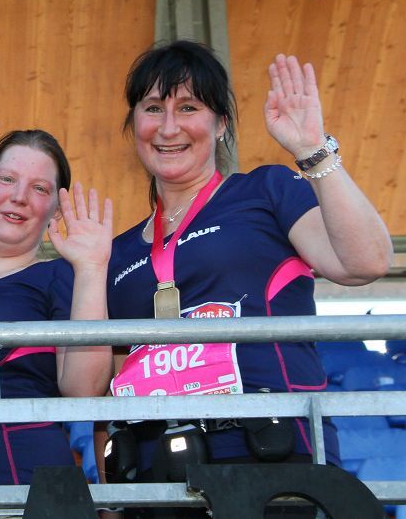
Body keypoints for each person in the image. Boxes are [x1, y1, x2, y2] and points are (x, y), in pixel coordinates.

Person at [105, 41, 392, 517]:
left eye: (189, 107)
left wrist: (312, 150)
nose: (169, 127)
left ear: (221, 124)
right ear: (134, 123)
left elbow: (366, 262)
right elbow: (112, 375)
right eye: (153, 108)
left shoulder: (265, 190)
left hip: (267, 451)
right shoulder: (117, 252)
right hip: (158, 471)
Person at [0, 129, 114, 486]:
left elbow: (84, 390)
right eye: (8, 179)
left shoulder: (59, 275)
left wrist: (91, 269)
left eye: (39, 188)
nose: (19, 197)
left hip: (26, 474)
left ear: (56, 210)